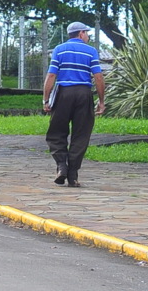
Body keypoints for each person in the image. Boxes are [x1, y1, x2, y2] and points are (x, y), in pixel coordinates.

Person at [42, 21, 106, 188]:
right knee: (81, 134)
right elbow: (98, 77)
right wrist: (101, 101)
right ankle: (73, 175)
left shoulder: (59, 49)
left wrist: (46, 99)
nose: (88, 36)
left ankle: (61, 165)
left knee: (56, 131)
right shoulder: (91, 51)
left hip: (63, 93)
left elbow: (51, 76)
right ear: (80, 34)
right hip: (84, 94)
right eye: (87, 32)